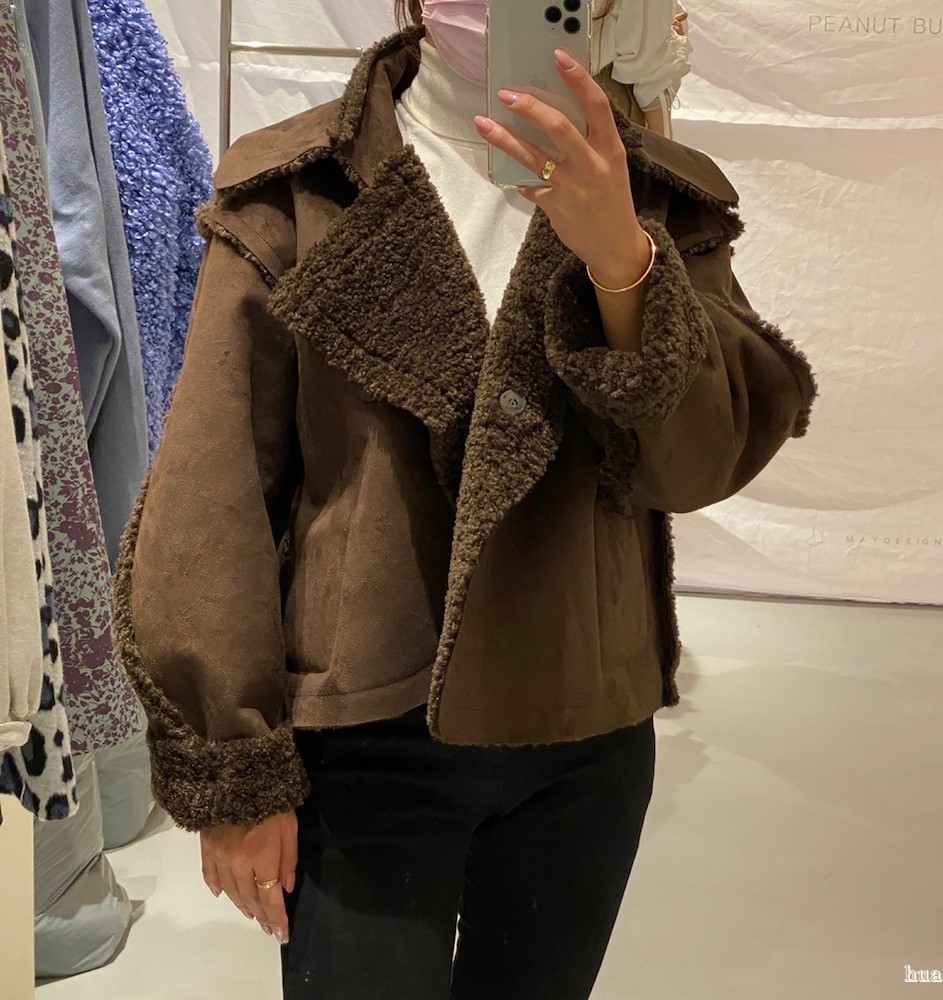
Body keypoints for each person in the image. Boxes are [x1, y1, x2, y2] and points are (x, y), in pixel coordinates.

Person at [114, 2, 818, 997]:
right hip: (363, 733)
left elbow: (699, 462)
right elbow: (213, 493)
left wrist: (622, 262)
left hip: (583, 731)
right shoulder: (298, 193)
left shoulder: (656, 200)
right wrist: (235, 767)